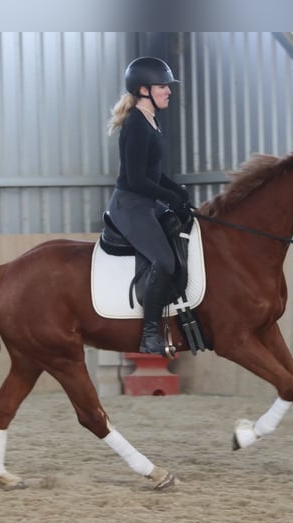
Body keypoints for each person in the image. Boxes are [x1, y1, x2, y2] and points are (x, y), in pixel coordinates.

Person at [105, 56, 191, 356]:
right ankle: (150, 334)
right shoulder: (136, 126)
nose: (168, 91)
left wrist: (177, 191)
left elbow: (153, 173)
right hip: (131, 206)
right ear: (143, 90)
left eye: (168, 87)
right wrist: (170, 197)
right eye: (162, 87)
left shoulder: (151, 121)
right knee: (164, 262)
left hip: (146, 202)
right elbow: (137, 179)